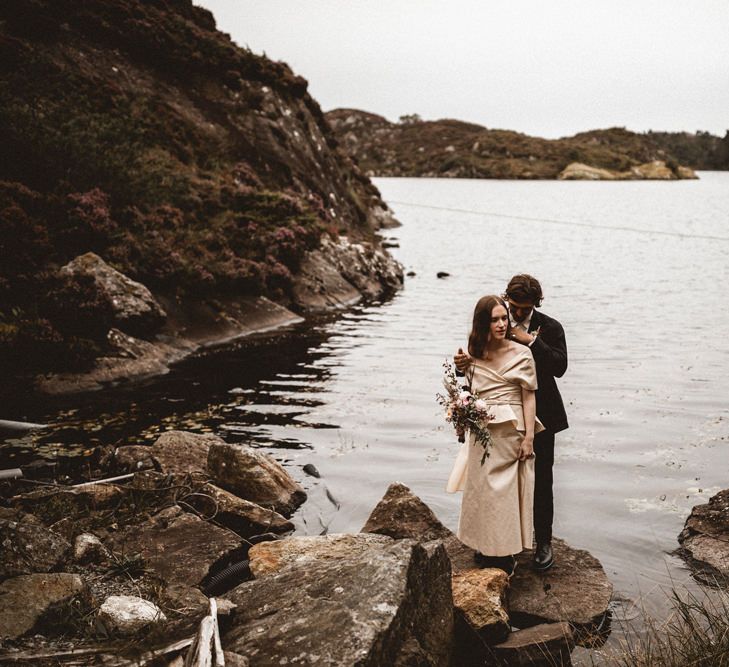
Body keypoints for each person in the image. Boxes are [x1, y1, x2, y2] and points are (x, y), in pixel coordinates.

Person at [455, 274, 568, 571]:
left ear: (536, 304)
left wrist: (531, 341)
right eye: (513, 307)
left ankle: (543, 542)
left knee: (542, 480)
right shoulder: (496, 321)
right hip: (500, 418)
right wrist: (463, 366)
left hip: (543, 411)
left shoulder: (551, 327)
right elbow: (480, 359)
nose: (516, 314)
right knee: (495, 483)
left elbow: (560, 366)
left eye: (523, 309)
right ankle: (498, 541)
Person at [446, 294, 544, 574]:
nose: (502, 324)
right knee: (482, 489)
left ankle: (505, 554)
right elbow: (468, 389)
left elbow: (528, 397)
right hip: (483, 426)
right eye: (494, 320)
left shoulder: (522, 353)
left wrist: (528, 438)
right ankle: (485, 544)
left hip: (512, 429)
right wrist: (462, 417)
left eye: (504, 318)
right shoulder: (473, 353)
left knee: (504, 492)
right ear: (482, 324)